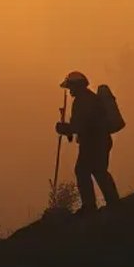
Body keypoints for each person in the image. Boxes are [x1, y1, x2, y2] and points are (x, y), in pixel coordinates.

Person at [55, 71, 120, 214]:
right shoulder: (88, 98)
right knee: (99, 171)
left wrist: (64, 129)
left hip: (93, 144)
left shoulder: (82, 101)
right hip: (100, 141)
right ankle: (114, 203)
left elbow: (80, 126)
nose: (70, 90)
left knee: (83, 171)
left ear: (77, 85)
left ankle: (90, 207)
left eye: (71, 87)